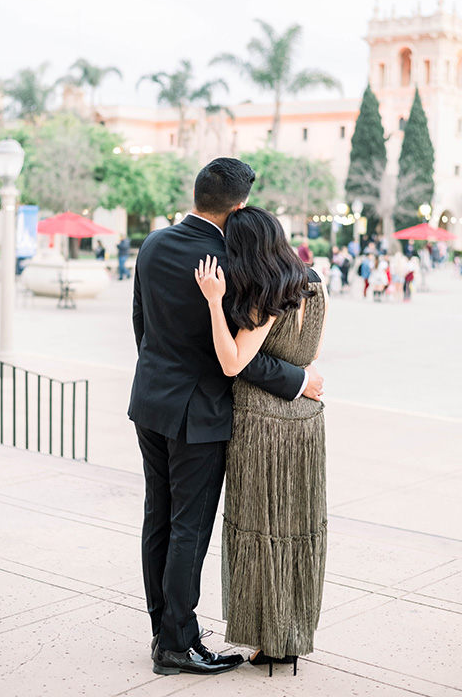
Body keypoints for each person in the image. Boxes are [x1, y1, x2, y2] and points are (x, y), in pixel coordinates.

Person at [128, 158, 324, 677]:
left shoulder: (152, 245)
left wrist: (160, 378)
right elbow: (240, 358)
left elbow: (142, 325)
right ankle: (177, 644)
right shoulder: (233, 262)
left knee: (158, 519)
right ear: (239, 208)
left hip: (150, 401)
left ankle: (164, 631)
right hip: (201, 412)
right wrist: (299, 381)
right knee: (188, 527)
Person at [195, 206, 328, 677]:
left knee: (261, 530)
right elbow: (308, 356)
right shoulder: (314, 281)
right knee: (297, 528)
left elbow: (232, 361)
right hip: (307, 423)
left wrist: (214, 301)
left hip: (261, 425)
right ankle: (292, 635)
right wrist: (301, 378)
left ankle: (269, 640)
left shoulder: (263, 296)